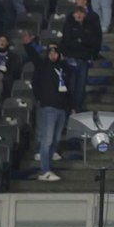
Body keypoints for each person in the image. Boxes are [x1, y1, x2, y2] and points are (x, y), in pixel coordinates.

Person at [31, 42, 76, 182]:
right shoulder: (43, 66)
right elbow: (35, 81)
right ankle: (44, 170)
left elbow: (69, 88)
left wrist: (72, 107)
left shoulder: (64, 68)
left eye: (55, 53)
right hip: (48, 107)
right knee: (48, 140)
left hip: (62, 108)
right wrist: (41, 98)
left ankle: (47, 167)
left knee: (55, 140)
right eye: (50, 53)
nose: (53, 55)